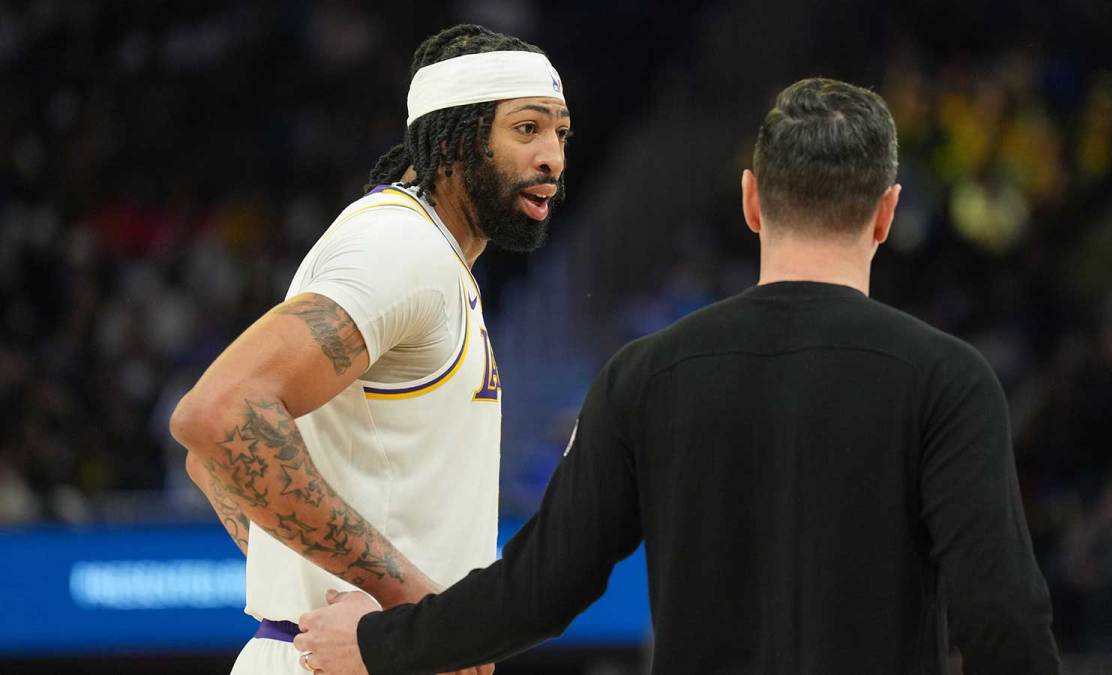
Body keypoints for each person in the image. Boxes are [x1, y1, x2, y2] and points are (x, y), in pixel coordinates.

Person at [294, 78, 1061, 674]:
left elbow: (540, 588)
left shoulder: (645, 375)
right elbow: (1004, 613)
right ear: (886, 213)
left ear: (752, 200)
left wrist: (377, 642)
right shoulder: (948, 380)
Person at [168, 23, 572, 675]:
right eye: (527, 129)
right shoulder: (400, 248)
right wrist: (411, 603)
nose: (553, 156)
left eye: (560, 132)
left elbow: (213, 464)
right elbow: (217, 416)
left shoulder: (428, 256)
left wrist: (297, 572)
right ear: (457, 136)